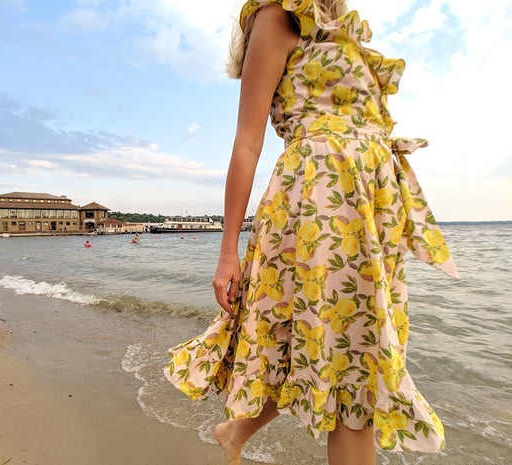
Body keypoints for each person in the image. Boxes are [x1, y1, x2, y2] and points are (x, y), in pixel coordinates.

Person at [164, 1, 459, 464]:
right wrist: (227, 252)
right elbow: (247, 141)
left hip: (370, 214)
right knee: (352, 362)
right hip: (319, 204)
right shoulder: (276, 16)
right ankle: (238, 428)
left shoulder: (345, 34)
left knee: (339, 352)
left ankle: (237, 430)